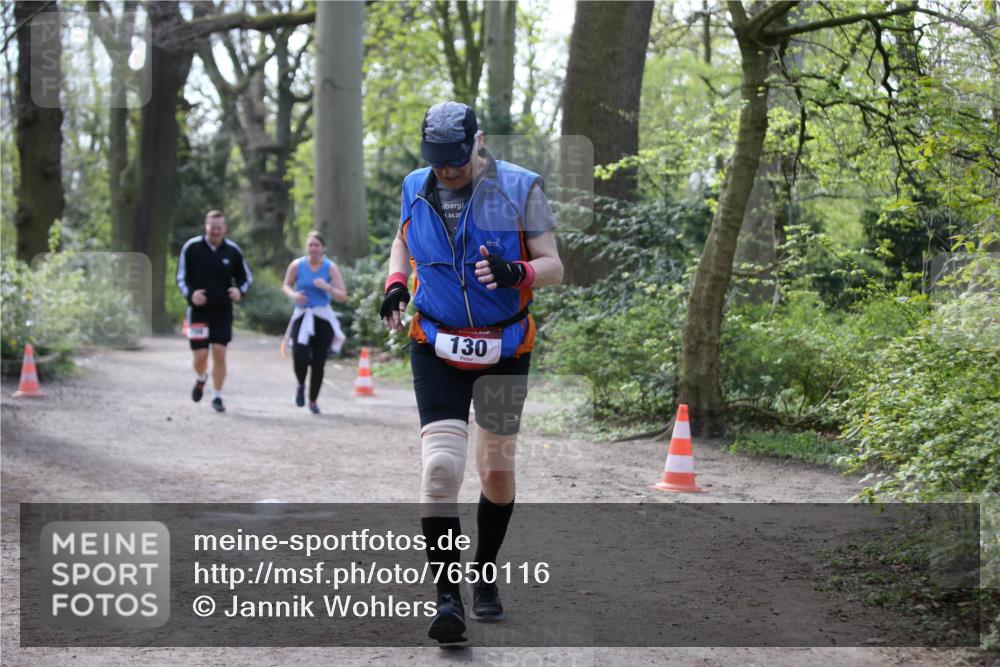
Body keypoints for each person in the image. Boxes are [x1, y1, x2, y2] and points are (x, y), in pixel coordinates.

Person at [380, 101, 563, 643]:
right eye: (437, 161)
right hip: (435, 343)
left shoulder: (520, 188)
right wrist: (395, 284)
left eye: (456, 160)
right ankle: (447, 600)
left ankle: (485, 576)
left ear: (478, 141)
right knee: (440, 468)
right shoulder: (417, 183)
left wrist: (517, 271)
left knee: (496, 473)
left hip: (504, 350)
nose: (447, 171)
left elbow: (554, 265)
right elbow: (402, 239)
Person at [176, 210, 252, 413]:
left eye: (219, 228)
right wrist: (191, 294)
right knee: (200, 356)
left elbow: (246, 278)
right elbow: (181, 278)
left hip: (222, 312)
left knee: (220, 352)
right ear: (206, 226)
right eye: (212, 227)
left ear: (224, 229)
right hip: (198, 312)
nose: (216, 231)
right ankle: (201, 378)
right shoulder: (191, 248)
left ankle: (217, 396)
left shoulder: (233, 251)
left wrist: (239, 291)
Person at [281, 231, 348, 414]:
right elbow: (286, 285)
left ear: (323, 248)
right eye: (310, 245)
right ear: (307, 247)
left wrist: (327, 287)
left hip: (322, 317)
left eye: (317, 245)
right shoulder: (297, 265)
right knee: (300, 357)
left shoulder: (330, 267)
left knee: (318, 362)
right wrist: (294, 295)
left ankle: (313, 400)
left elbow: (342, 295)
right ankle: (301, 384)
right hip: (302, 315)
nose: (313, 248)